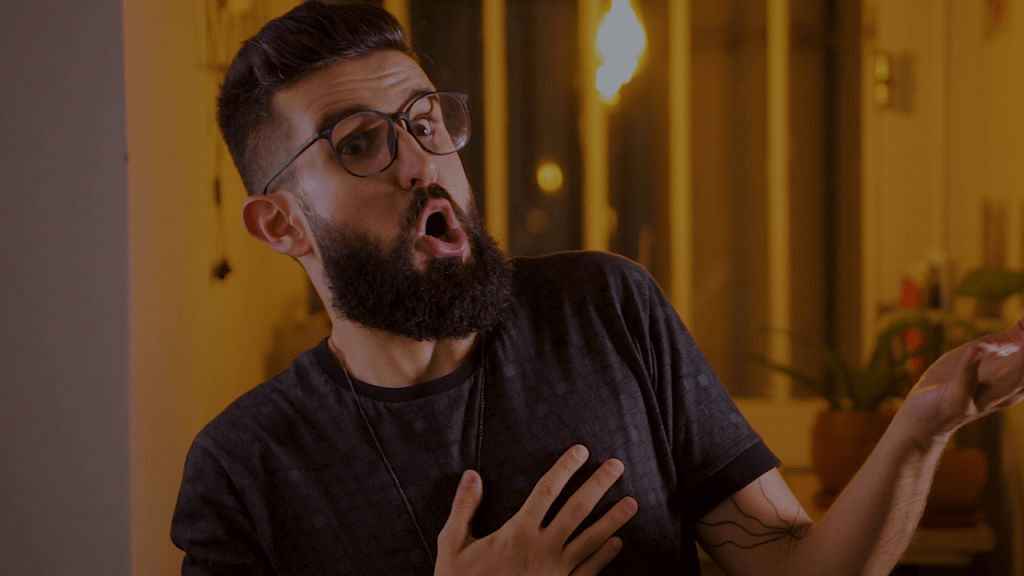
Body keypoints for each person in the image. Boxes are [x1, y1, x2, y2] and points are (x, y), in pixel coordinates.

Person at [171, 2, 1024, 575]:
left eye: (426, 123)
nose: (422, 165)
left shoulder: (607, 310)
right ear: (280, 224)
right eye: (360, 144)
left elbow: (794, 565)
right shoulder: (242, 471)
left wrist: (923, 428)